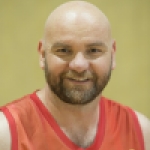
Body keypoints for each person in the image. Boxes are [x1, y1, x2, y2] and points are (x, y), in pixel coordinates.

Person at [0, 1, 150, 150]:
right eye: (64, 50)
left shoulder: (140, 133)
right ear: (42, 55)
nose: (79, 65)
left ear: (112, 55)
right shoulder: (6, 134)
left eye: (94, 50)